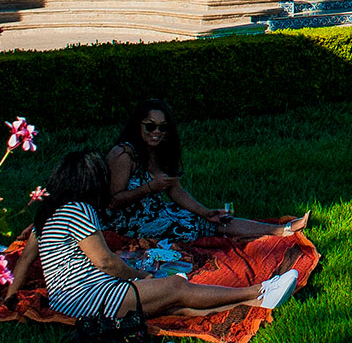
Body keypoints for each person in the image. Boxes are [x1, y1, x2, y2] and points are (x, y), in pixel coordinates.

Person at [2, 151, 297, 319]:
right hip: (90, 298)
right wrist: (141, 277)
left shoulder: (48, 213)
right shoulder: (79, 209)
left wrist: (11, 297)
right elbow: (106, 262)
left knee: (175, 306)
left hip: (66, 300)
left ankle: (256, 303)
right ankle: (259, 290)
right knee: (175, 287)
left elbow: (26, 260)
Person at [105, 100, 309, 241]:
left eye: (163, 127)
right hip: (126, 222)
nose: (157, 132)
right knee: (201, 225)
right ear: (138, 126)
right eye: (150, 126)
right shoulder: (124, 154)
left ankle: (281, 230)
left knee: (210, 220)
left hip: (154, 213)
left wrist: (205, 211)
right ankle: (281, 230)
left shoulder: (159, 151)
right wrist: (150, 187)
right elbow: (113, 202)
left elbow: (175, 189)